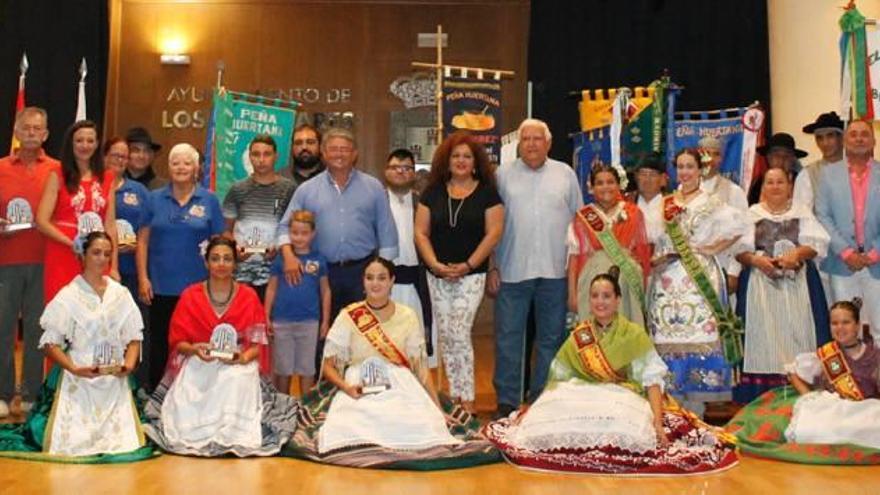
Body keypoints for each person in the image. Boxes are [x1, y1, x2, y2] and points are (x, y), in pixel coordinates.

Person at [483, 269, 738, 474]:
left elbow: (651, 380)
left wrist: (658, 424)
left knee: (624, 423)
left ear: (617, 300)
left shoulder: (633, 334)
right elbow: (559, 376)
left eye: (606, 296)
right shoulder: (580, 335)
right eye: (595, 296)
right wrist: (539, 407)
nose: (600, 302)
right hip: (582, 394)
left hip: (620, 394)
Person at [283, 256, 498, 469]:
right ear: (363, 282)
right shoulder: (349, 315)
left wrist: (437, 408)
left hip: (399, 381)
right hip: (358, 381)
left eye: (382, 278)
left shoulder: (408, 316)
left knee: (422, 423)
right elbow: (328, 366)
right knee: (347, 426)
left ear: (392, 281)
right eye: (369, 278)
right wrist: (347, 388)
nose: (375, 283)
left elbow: (421, 369)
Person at [0, 232, 153, 462]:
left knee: (126, 441)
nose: (102, 259)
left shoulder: (120, 294)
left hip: (114, 377)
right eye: (96, 253)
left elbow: (133, 336)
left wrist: (129, 365)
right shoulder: (68, 295)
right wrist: (73, 368)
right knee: (72, 440)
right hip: (79, 375)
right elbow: (50, 344)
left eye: (107, 254)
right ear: (83, 255)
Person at [143, 237, 298, 456]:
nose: (221, 264)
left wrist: (240, 358)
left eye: (227, 259)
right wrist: (196, 349)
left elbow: (257, 346)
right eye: (215, 259)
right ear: (206, 263)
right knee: (197, 376)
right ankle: (197, 433)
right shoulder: (190, 296)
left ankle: (230, 434)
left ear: (235, 263)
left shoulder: (248, 296)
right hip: (199, 358)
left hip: (237, 361)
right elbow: (179, 343)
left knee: (233, 378)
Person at [489, 119, 583, 418]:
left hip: (555, 272)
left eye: (537, 139)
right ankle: (507, 401)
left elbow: (579, 224)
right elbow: (491, 225)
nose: (531, 144)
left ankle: (543, 398)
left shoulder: (565, 174)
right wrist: (492, 266)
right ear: (518, 143)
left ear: (548, 143)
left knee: (551, 338)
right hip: (511, 269)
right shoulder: (502, 175)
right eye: (525, 139)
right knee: (508, 337)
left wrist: (575, 272)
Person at [646, 148, 747, 417]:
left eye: (690, 166)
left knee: (700, 335)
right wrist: (657, 259)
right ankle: (673, 413)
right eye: (680, 166)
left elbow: (740, 227)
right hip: (668, 279)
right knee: (667, 337)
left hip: (699, 279)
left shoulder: (711, 202)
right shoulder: (664, 203)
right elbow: (654, 240)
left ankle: (697, 414)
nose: (685, 172)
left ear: (700, 169)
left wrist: (714, 247)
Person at [728, 300, 880, 464]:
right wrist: (809, 397)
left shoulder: (874, 354)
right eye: (834, 323)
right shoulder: (825, 354)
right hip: (829, 409)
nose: (840, 328)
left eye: (846, 322)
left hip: (863, 410)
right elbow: (793, 373)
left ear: (857, 325)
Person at [414, 134, 504, 412]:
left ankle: (467, 397)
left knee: (459, 331)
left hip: (471, 274)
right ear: (446, 161)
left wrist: (467, 265)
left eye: (467, 156)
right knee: (445, 334)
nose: (461, 161)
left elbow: (494, 233)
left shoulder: (488, 193)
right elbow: (420, 232)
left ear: (475, 162)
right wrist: (434, 264)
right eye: (456, 156)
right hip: (437, 273)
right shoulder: (433, 192)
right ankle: (453, 396)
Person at [276, 127, 398, 320]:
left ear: (355, 154)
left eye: (345, 149)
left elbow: (386, 230)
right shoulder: (306, 190)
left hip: (362, 271)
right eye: (333, 149)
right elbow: (284, 226)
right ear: (324, 154)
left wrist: (383, 271)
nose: (339, 154)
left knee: (363, 330)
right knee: (324, 331)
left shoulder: (373, 187)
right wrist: (289, 256)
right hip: (321, 271)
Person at [733, 168, 831, 403]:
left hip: (797, 284)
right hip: (760, 285)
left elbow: (817, 243)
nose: (775, 186)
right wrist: (757, 260)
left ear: (789, 186)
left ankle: (803, 393)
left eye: (780, 182)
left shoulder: (802, 212)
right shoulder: (752, 214)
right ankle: (762, 398)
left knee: (799, 332)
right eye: (770, 182)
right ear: (763, 188)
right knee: (764, 335)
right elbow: (738, 251)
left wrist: (797, 253)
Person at [136, 143, 225, 393]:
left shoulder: (209, 200)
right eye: (175, 163)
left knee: (196, 342)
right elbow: (142, 241)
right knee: (162, 345)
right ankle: (158, 396)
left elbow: (219, 243)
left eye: (187, 163)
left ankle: (194, 396)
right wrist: (143, 277)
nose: (181, 168)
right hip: (161, 286)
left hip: (198, 289)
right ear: (169, 167)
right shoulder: (154, 199)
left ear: (197, 168)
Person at [0, 107, 58, 418]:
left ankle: (34, 393)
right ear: (17, 132)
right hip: (5, 261)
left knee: (39, 329)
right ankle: (3, 393)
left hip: (44, 261)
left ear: (46, 134)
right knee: (2, 329)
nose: (32, 133)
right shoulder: (0, 168)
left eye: (38, 128)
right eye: (27, 128)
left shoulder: (57, 169)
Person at [36, 120, 118, 304]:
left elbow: (110, 224)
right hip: (64, 253)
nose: (85, 145)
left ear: (97, 144)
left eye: (90, 141)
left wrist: (113, 266)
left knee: (96, 310)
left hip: (98, 254)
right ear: (71, 144)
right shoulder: (57, 174)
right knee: (63, 311)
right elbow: (41, 220)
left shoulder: (108, 176)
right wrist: (71, 242)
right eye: (79, 141)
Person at [815, 120, 880, 341]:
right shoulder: (827, 174)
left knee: (879, 328)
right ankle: (850, 377)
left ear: (874, 140)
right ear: (845, 141)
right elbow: (822, 215)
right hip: (841, 263)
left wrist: (873, 254)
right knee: (846, 331)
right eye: (853, 134)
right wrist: (846, 252)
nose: (859, 138)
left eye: (864, 134)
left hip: (877, 263)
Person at [567, 163, 650, 326]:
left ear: (619, 185)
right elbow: (574, 257)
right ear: (592, 188)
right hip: (592, 279)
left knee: (626, 328)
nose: (606, 187)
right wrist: (572, 294)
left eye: (610, 182)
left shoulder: (633, 213)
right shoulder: (582, 217)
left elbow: (642, 253)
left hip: (626, 280)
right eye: (600, 183)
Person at [222, 134, 295, 301]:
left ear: (276, 156)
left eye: (267, 154)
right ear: (249, 156)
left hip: (277, 271)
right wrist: (235, 248)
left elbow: (295, 229)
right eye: (256, 154)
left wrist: (279, 248)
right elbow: (226, 231)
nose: (261, 160)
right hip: (242, 272)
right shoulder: (237, 189)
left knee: (271, 322)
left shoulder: (289, 189)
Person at [265, 210, 330, 396]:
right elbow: (271, 289)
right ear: (289, 233)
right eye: (294, 233)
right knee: (283, 368)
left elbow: (325, 291)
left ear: (313, 234)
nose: (299, 238)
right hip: (282, 321)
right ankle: (283, 406)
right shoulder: (280, 260)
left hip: (309, 321)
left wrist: (325, 321)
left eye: (304, 233)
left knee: (307, 368)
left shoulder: (319, 260)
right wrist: (266, 316)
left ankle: (305, 407)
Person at [385, 148, 435, 366]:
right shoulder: (376, 201)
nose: (401, 172)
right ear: (386, 171)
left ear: (414, 173)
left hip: (417, 281)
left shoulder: (423, 203)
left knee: (417, 350)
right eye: (396, 167)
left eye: (407, 168)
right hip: (385, 283)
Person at [794, 111, 845, 210]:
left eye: (830, 136)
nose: (825, 143)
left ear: (841, 138)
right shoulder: (808, 175)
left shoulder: (857, 170)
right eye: (820, 138)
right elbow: (802, 213)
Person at [747, 132, 807, 205]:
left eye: (786, 156)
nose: (781, 160)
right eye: (777, 156)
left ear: (793, 159)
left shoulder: (801, 181)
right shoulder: (758, 183)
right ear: (768, 158)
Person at [697, 135, 749, 212]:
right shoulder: (685, 187)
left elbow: (744, 221)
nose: (711, 159)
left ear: (721, 159)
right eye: (706, 153)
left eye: (716, 154)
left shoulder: (734, 191)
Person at [633, 152, 667, 243]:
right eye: (643, 174)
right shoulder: (627, 202)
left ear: (663, 179)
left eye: (652, 174)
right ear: (636, 177)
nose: (647, 179)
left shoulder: (672, 204)